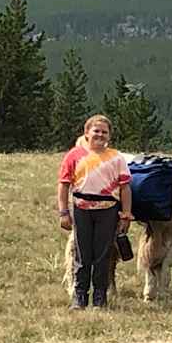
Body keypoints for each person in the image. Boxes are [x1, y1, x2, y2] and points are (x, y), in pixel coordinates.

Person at [58, 115, 133, 309]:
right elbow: (64, 185)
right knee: (82, 254)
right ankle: (80, 296)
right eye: (96, 131)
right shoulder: (74, 156)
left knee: (103, 255)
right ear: (86, 133)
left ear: (109, 136)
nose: (100, 135)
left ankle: (100, 297)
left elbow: (125, 188)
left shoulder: (116, 158)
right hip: (82, 209)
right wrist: (63, 212)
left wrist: (126, 214)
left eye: (104, 132)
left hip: (108, 210)